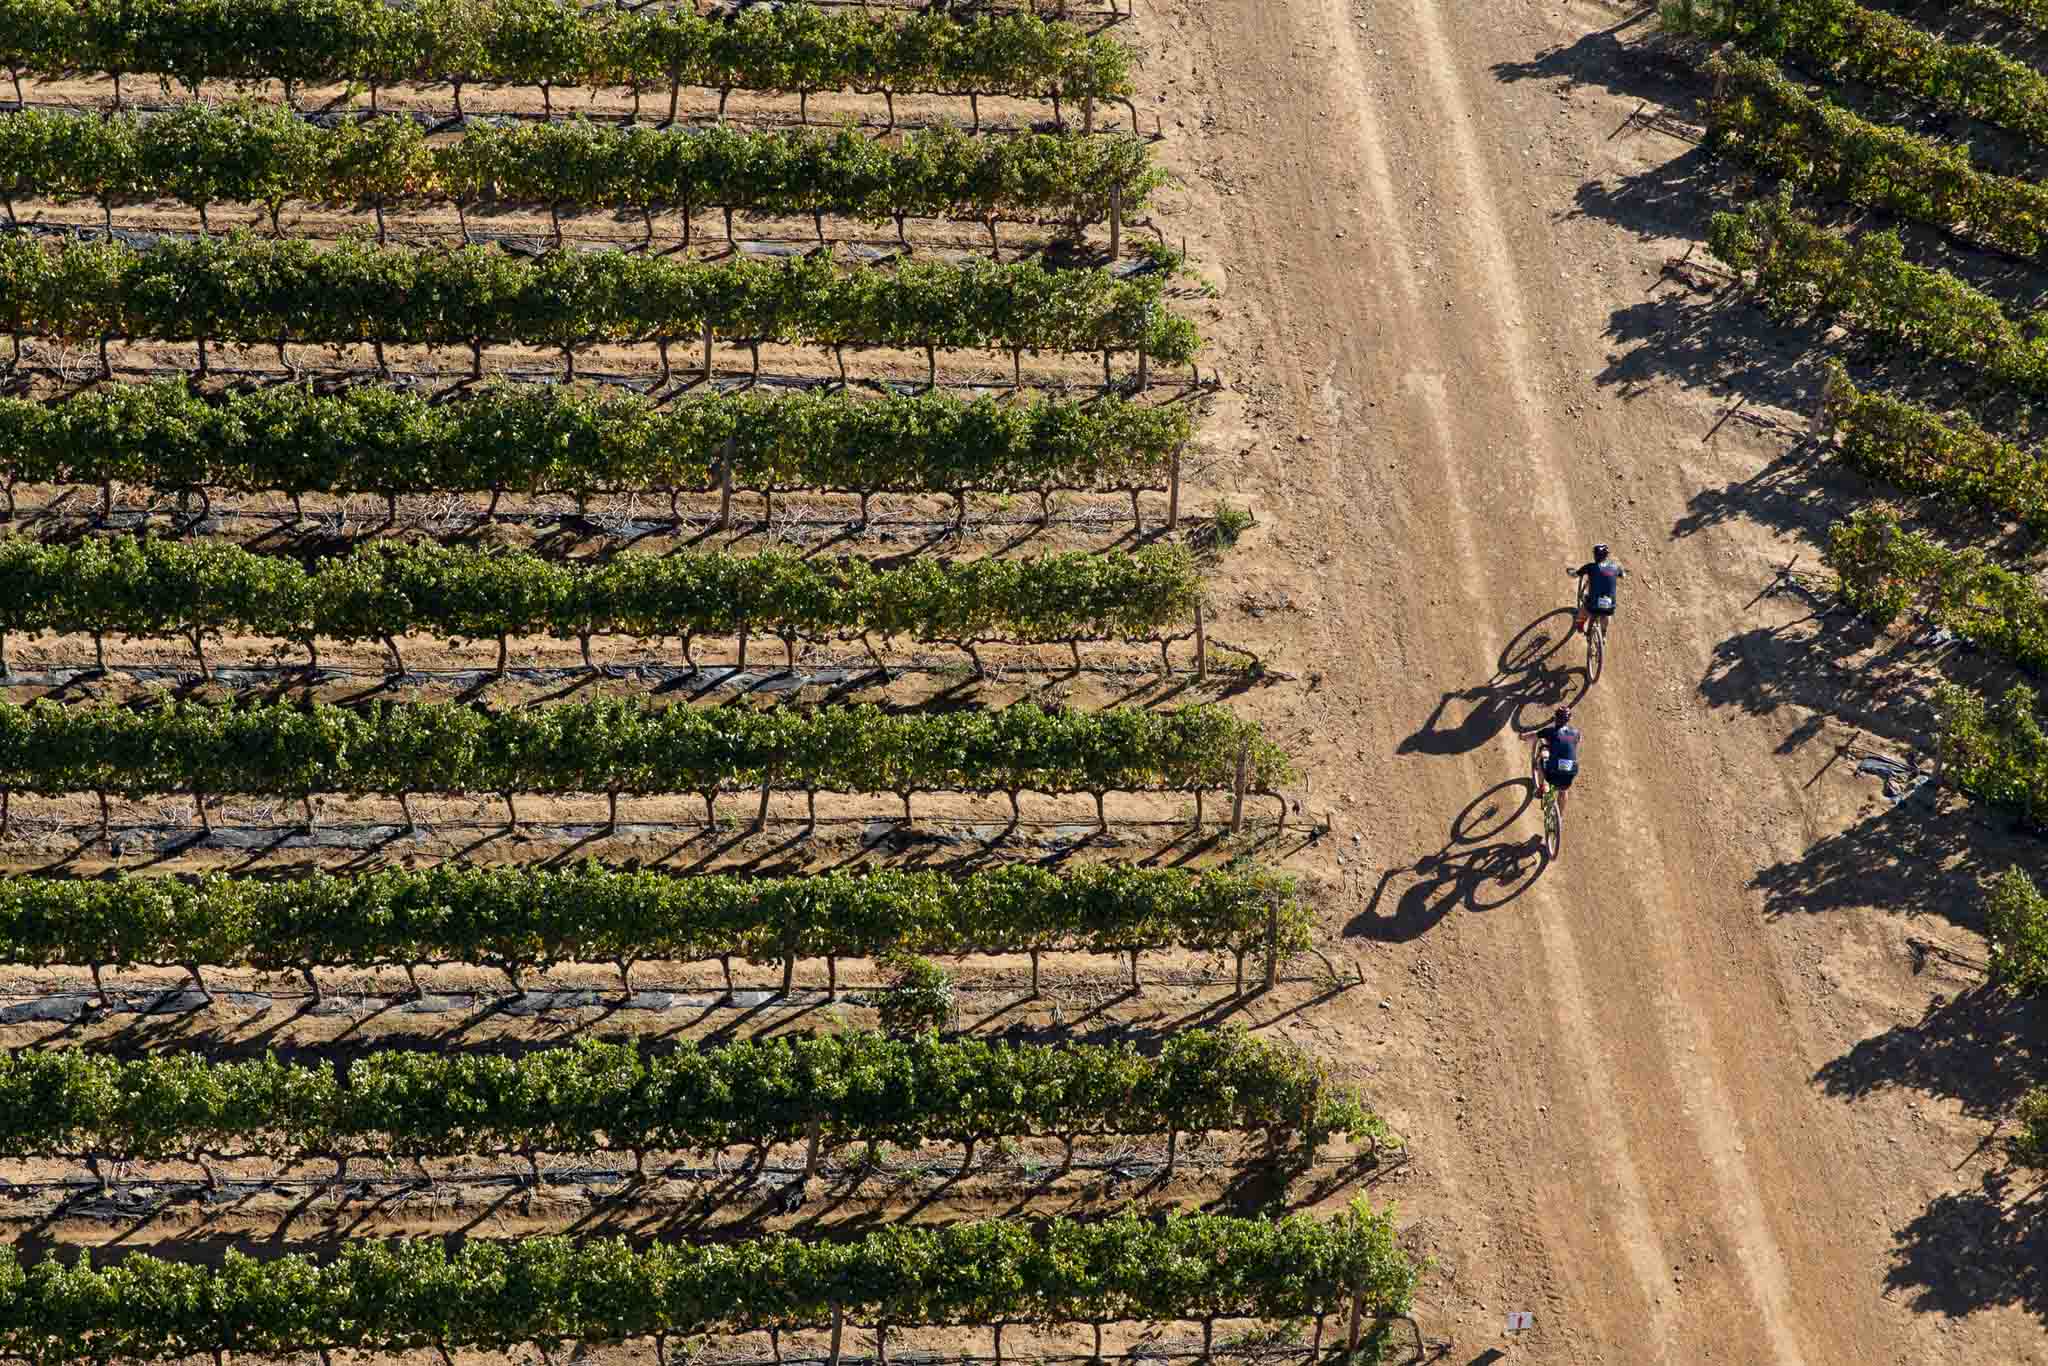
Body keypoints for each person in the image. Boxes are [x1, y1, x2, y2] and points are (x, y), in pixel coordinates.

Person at [1567, 543, 1626, 634]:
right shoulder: (1615, 567)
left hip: (1593, 605)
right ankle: (1603, 634)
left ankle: (1580, 625)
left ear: (1595, 555)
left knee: (1584, 609)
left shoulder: (1590, 567)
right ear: (1606, 556)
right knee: (1606, 614)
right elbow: (1623, 575)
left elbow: (1575, 574)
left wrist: (1570, 572)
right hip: (1610, 605)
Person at [1532, 706, 1582, 809]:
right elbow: (1577, 740)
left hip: (1553, 774)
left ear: (1555, 718)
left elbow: (1532, 736)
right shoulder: (1576, 733)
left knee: (1542, 760)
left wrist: (1522, 736)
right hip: (1570, 774)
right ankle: (1560, 818)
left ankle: (1541, 789)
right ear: (1568, 720)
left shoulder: (1549, 732)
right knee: (1563, 791)